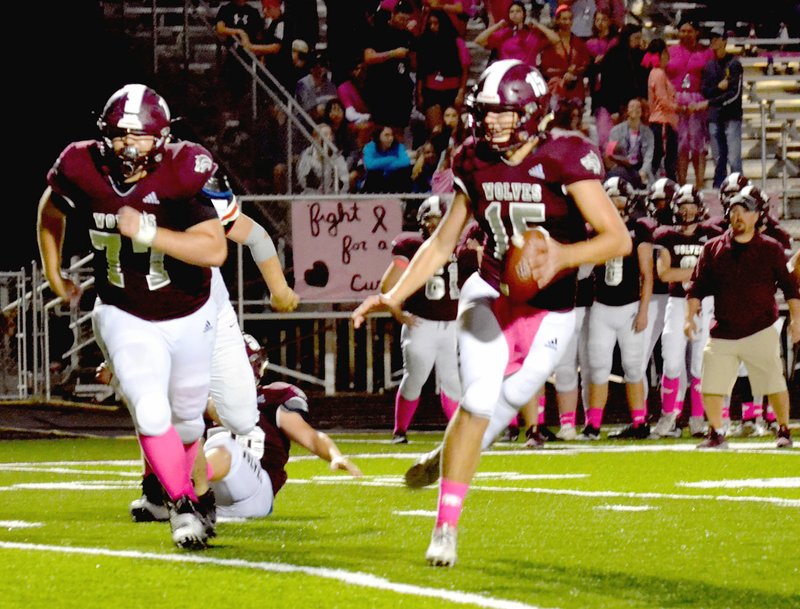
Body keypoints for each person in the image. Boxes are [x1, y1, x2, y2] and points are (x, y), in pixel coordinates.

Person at [352, 59, 631, 567]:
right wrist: (393, 295)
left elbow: (618, 239)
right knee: (479, 397)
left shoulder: (567, 155)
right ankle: (445, 527)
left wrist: (563, 257)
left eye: (504, 113)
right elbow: (441, 243)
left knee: (504, 406)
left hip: (551, 308)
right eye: (487, 112)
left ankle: (446, 455)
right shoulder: (473, 158)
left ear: (532, 111)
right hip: (491, 290)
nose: (493, 122)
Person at [37, 84, 228, 550]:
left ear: (162, 138)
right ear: (105, 135)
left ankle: (197, 496)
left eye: (141, 136)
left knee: (185, 421)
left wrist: (148, 230)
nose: (129, 145)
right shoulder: (81, 164)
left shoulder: (187, 167)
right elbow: (49, 212)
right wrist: (53, 270)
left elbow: (214, 249)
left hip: (188, 311)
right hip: (123, 310)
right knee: (147, 406)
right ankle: (181, 504)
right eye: (121, 135)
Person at [686, 188, 799, 450]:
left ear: (757, 216)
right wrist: (689, 317)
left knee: (774, 382)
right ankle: (716, 432)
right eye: (734, 210)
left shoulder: (771, 248)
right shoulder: (713, 248)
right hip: (723, 329)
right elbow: (696, 286)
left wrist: (796, 320)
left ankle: (783, 429)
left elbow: (790, 287)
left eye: (744, 211)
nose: (737, 216)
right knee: (711, 385)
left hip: (759, 328)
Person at [203, 339, 362, 519]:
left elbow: (310, 437)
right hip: (215, 498)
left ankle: (187, 488)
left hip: (255, 495)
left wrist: (335, 455)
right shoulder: (202, 403)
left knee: (223, 444)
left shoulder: (272, 398)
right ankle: (184, 497)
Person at [381, 195, 478, 443]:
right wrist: (397, 312)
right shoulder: (412, 246)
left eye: (439, 220)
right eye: (430, 220)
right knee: (416, 377)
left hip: (452, 325)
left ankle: (456, 434)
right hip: (421, 322)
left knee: (453, 382)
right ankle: (400, 430)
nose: (434, 226)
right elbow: (387, 286)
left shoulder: (463, 249)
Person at [580, 177, 654, 440]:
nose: (615, 203)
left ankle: (639, 422)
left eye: (619, 198)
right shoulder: (596, 230)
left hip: (631, 307)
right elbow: (584, 269)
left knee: (633, 367)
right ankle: (593, 424)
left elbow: (647, 273)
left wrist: (644, 309)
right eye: (610, 198)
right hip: (602, 306)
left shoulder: (639, 230)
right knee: (598, 366)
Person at [654, 185, 722, 438]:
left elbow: (716, 274)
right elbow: (664, 273)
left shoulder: (712, 234)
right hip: (677, 302)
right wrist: (699, 274)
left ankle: (696, 418)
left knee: (699, 365)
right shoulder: (666, 236)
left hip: (704, 304)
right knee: (671, 362)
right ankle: (669, 415)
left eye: (692, 207)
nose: (687, 212)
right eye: (683, 207)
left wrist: (691, 276)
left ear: (700, 208)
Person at [666, 18, 714, 190]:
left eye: (689, 31)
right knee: (681, 146)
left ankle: (699, 184)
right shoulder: (670, 51)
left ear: (696, 33)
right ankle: (682, 184)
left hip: (697, 101)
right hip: (676, 101)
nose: (685, 34)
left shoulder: (706, 52)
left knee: (699, 146)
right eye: (682, 31)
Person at [701, 27, 744, 189]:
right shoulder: (709, 66)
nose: (713, 41)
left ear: (725, 41)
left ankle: (738, 188)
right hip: (715, 116)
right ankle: (720, 188)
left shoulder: (734, 64)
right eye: (711, 38)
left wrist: (714, 100)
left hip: (731, 116)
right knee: (718, 157)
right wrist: (719, 89)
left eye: (717, 38)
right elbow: (706, 91)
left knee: (733, 158)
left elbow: (734, 93)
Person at [474, 0, 559, 65]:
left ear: (524, 14)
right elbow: (479, 40)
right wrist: (497, 26)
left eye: (518, 11)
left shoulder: (533, 35)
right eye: (511, 11)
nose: (514, 14)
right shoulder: (503, 34)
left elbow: (556, 39)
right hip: (507, 78)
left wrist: (538, 25)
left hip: (527, 78)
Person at [647, 38, 679, 182]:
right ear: (663, 53)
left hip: (663, 121)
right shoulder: (658, 73)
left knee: (664, 158)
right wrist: (680, 108)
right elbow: (662, 100)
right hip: (663, 121)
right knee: (665, 159)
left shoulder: (657, 73)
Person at [607, 98, 655, 188]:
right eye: (632, 106)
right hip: (622, 166)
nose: (635, 109)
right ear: (627, 110)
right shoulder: (616, 130)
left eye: (638, 107)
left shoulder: (648, 133)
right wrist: (621, 160)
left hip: (640, 168)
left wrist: (644, 170)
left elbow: (649, 156)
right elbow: (609, 153)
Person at [296, 122, 350, 193]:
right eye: (325, 135)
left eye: (330, 135)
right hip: (311, 195)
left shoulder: (338, 156)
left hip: (333, 195)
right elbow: (302, 181)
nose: (328, 138)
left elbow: (345, 182)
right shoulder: (307, 155)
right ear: (315, 138)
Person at [358, 124, 412, 193]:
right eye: (387, 135)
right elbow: (369, 165)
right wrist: (391, 159)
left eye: (392, 135)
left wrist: (384, 167)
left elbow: (405, 162)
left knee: (404, 172)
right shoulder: (369, 147)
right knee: (374, 173)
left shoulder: (399, 146)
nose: (390, 138)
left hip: (393, 179)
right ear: (378, 136)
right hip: (375, 181)